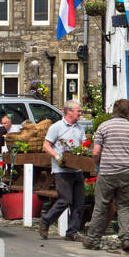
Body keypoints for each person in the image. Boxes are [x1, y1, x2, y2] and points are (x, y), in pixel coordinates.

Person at [83, 98, 129, 253]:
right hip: (126, 172)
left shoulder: (104, 127)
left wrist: (98, 163)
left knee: (101, 205)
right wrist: (127, 159)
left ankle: (93, 240)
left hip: (107, 171)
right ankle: (125, 238)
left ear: (114, 110)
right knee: (123, 206)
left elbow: (95, 151)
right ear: (128, 112)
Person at [40, 100, 90, 241]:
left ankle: (72, 232)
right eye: (78, 111)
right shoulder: (57, 127)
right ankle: (45, 221)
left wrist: (84, 151)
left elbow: (83, 145)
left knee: (79, 202)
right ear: (69, 111)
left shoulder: (80, 128)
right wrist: (57, 156)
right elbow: (46, 145)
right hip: (61, 170)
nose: (80, 114)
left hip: (76, 170)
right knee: (65, 199)